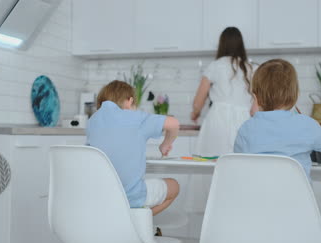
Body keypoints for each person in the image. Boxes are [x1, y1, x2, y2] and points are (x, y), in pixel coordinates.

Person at [234, 59, 321, 181]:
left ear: (256, 97)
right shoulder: (305, 124)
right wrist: (317, 126)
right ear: (295, 95)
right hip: (297, 199)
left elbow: (239, 163)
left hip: (258, 198)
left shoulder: (246, 129)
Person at [86, 80, 180, 215]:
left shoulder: (92, 122)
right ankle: (134, 223)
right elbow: (174, 124)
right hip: (131, 196)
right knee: (174, 186)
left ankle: (123, 222)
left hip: (101, 196)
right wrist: (165, 145)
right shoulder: (136, 118)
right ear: (129, 101)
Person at [191, 26, 255, 156]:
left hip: (218, 120)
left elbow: (198, 101)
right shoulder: (251, 68)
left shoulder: (215, 66)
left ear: (221, 45)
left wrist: (195, 113)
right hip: (245, 121)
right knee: (242, 164)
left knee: (214, 164)